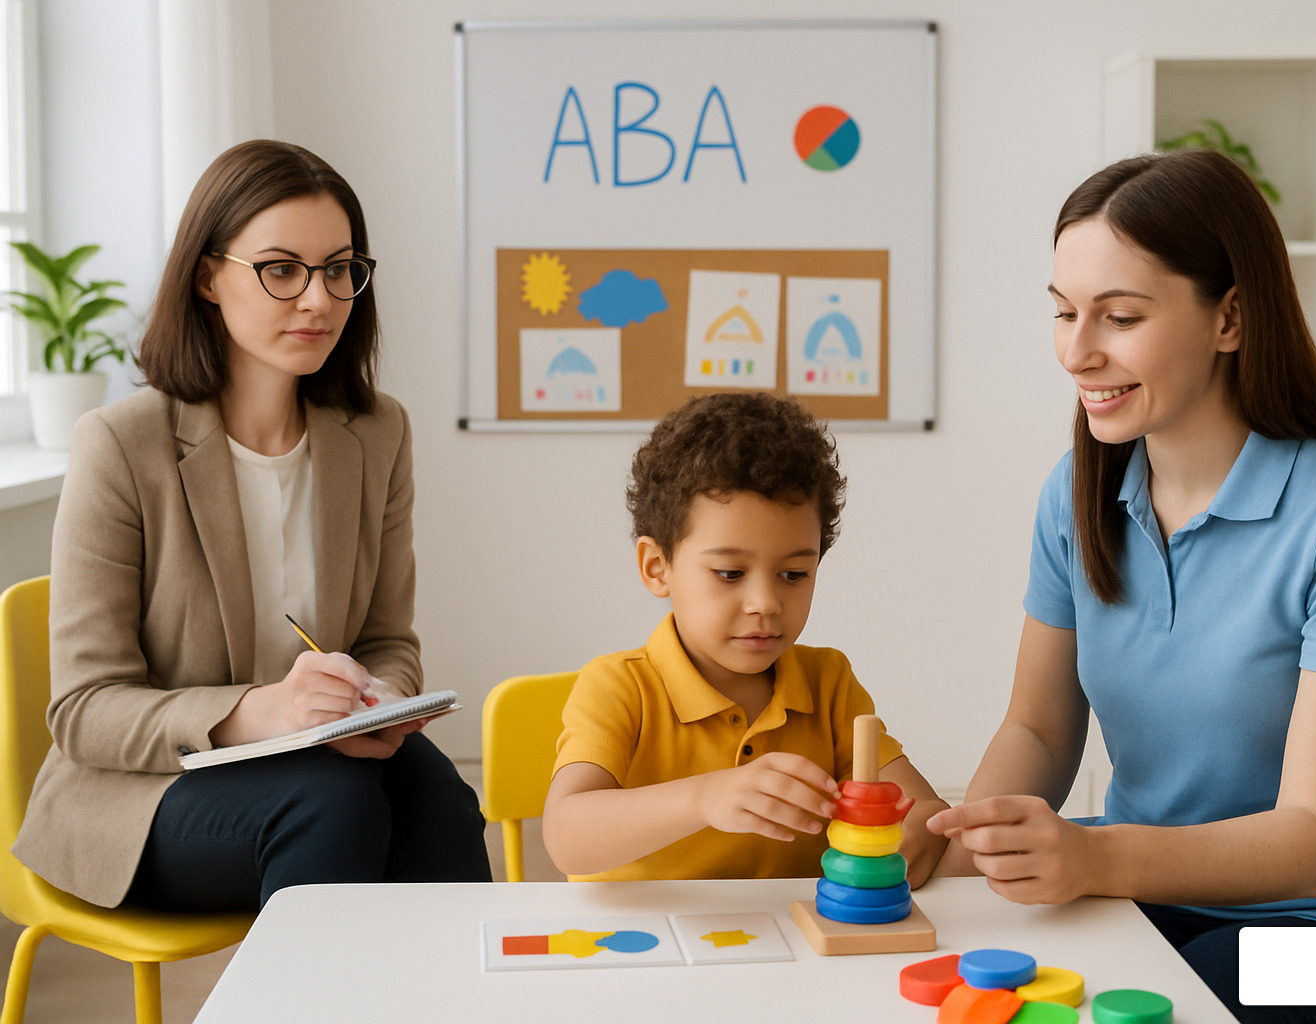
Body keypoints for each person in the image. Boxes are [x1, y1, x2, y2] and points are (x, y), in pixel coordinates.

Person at [926, 149, 1316, 1024]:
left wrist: (1092, 862)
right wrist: (972, 837)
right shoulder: (1079, 489)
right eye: (1063, 314)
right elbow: (1039, 728)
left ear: (1231, 317)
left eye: (1119, 317)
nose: (1078, 352)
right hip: (1154, 900)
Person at [13, 140, 491, 912]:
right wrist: (257, 713)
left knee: (437, 795)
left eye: (340, 269)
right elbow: (84, 710)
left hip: (322, 765)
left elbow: (387, 640)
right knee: (333, 805)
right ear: (209, 276)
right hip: (142, 797)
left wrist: (379, 702)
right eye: (281, 269)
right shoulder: (120, 444)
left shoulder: (376, 434)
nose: (319, 299)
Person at [542, 391, 949, 883]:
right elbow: (566, 838)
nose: (766, 603)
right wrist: (705, 796)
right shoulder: (619, 688)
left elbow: (925, 812)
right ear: (657, 568)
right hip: (645, 949)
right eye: (731, 573)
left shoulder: (829, 684)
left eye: (795, 574)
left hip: (796, 949)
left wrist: (905, 842)